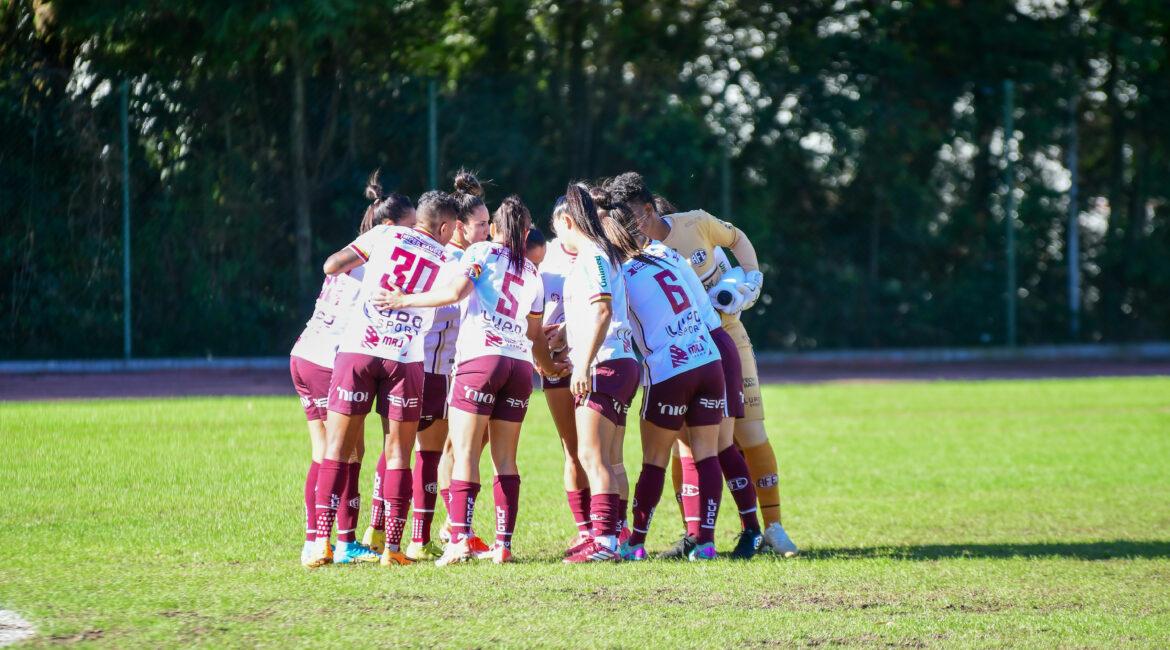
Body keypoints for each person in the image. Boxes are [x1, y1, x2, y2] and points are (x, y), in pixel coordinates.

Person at [605, 172, 799, 556]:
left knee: (748, 434)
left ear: (646, 210)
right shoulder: (639, 255)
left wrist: (752, 277)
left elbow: (738, 239)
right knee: (689, 447)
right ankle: (697, 534)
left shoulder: (693, 224)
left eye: (629, 217)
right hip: (694, 348)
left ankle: (770, 527)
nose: (625, 226)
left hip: (723, 338)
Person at [374, 195, 564, 565]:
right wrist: (551, 369)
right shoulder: (532, 274)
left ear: (493, 229)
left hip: (480, 361)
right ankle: (503, 545)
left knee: (464, 454)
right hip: (519, 367)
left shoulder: (480, 254)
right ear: (526, 233)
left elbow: (455, 293)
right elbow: (534, 335)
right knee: (505, 459)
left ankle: (459, 537)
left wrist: (404, 299)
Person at [302, 190, 458, 568]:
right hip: (404, 359)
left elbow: (332, 265)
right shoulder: (449, 256)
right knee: (398, 455)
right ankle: (392, 548)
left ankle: (320, 542)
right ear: (444, 226)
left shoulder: (382, 235)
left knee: (336, 450)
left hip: (358, 350)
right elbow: (452, 297)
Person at [594, 193, 735, 560]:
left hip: (670, 368)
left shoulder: (617, 274)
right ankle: (705, 543)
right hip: (708, 359)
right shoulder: (667, 253)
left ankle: (636, 542)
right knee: (706, 454)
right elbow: (705, 312)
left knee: (654, 460)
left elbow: (611, 322)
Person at [291, 171, 413, 565]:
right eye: (411, 227)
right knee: (346, 451)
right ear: (391, 226)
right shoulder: (382, 249)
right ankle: (341, 542)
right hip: (329, 358)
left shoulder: (364, 246)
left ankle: (318, 541)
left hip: (304, 351)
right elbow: (331, 267)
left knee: (325, 450)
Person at [402, 171, 491, 561]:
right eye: (482, 225)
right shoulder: (453, 259)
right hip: (431, 367)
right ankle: (432, 533)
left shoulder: (473, 256)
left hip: (450, 367)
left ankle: (447, 528)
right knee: (427, 451)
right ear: (458, 226)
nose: (488, 231)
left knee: (454, 448)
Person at [552, 184, 641, 564]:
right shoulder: (602, 253)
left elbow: (603, 311)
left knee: (593, 457)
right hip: (621, 361)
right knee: (612, 459)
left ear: (567, 220)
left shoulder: (592, 255)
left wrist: (583, 364)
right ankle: (615, 536)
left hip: (606, 363)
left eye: (557, 229)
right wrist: (563, 333)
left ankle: (603, 542)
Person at [537, 198, 595, 553]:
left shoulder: (600, 253)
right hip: (558, 365)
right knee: (571, 449)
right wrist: (542, 348)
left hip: (596, 362)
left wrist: (573, 332)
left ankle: (609, 528)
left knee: (600, 451)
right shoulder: (548, 256)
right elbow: (533, 312)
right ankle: (586, 528)